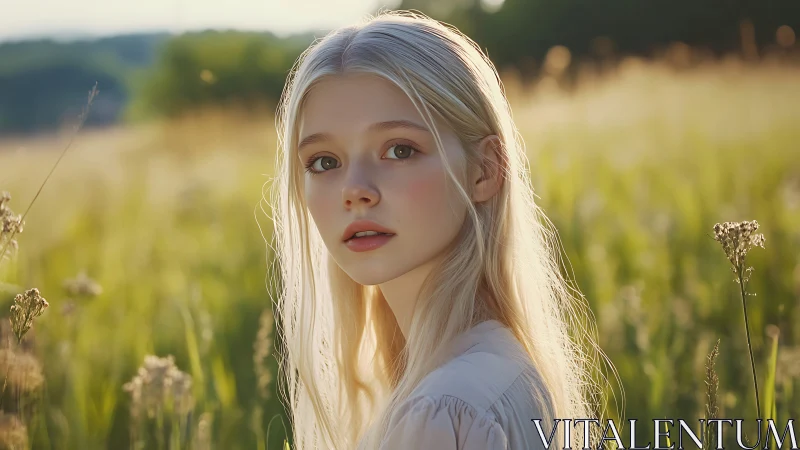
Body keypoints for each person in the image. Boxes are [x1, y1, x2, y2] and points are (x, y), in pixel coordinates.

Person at [268, 8, 615, 450]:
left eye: (399, 150)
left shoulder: (439, 411)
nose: (354, 191)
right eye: (324, 162)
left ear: (485, 169)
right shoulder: (504, 369)